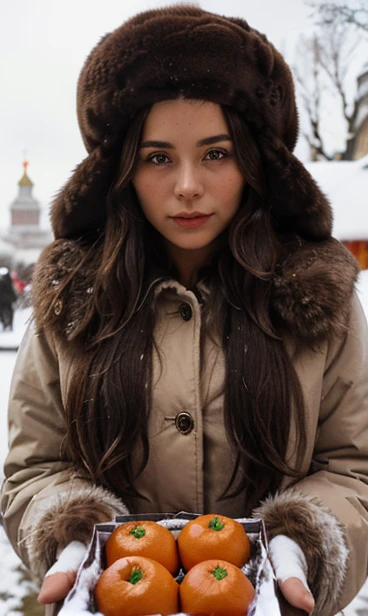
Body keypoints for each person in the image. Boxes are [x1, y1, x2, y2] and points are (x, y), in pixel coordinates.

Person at [1, 5, 368, 616]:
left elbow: (353, 466)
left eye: (217, 153)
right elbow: (36, 465)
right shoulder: (72, 300)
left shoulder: (317, 299)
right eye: (158, 157)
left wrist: (303, 543)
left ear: (255, 161)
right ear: (120, 169)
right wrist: (73, 535)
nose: (188, 185)